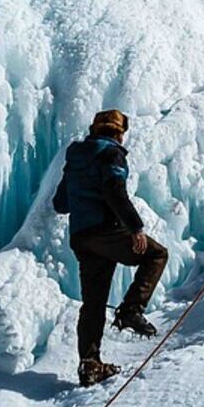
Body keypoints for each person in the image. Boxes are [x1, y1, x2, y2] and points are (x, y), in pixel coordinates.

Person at [52, 107, 169, 387]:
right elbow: (114, 191)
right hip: (107, 231)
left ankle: (90, 364)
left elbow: (61, 204)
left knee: (93, 303)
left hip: (82, 237)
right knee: (156, 254)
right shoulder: (111, 153)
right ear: (119, 133)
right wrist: (135, 228)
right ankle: (131, 309)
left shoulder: (76, 157)